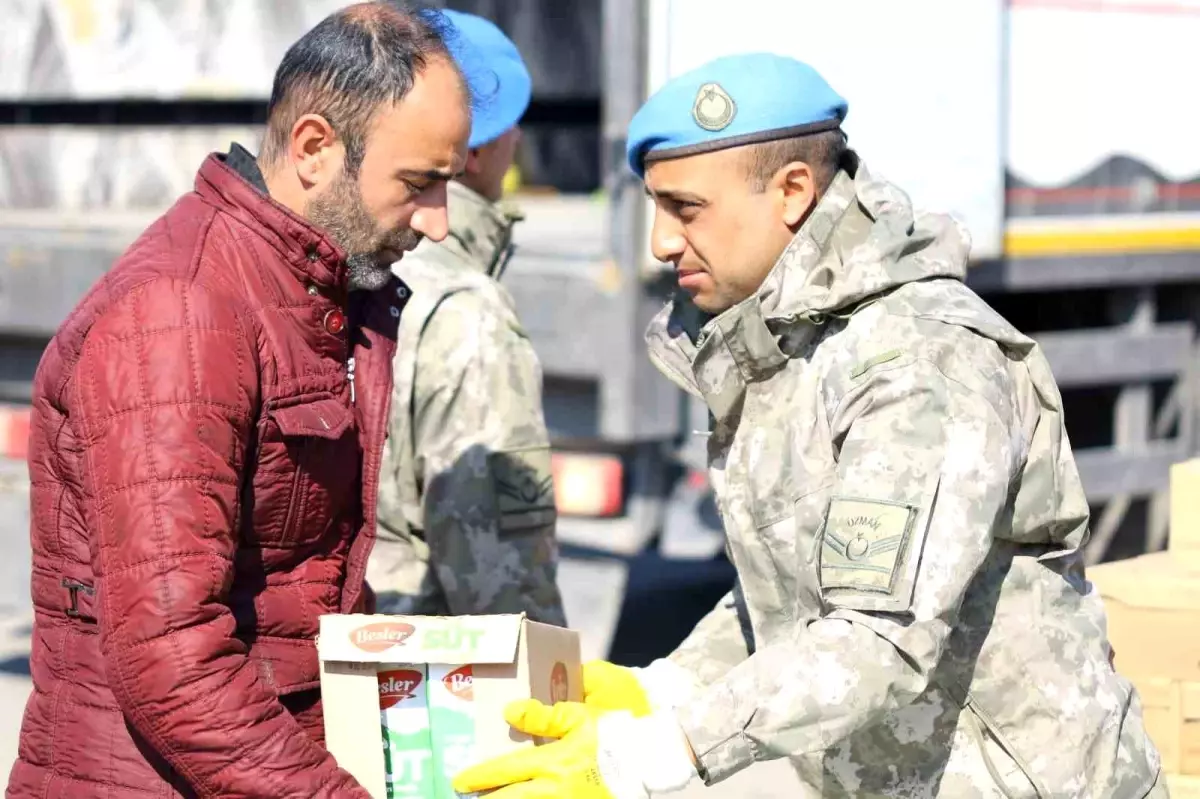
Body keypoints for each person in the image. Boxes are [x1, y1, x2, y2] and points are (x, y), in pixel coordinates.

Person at [450, 52, 1166, 798]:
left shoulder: (919, 360)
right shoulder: (782, 345)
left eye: (685, 209)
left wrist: (654, 752)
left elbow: (875, 636)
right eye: (654, 207)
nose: (660, 242)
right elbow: (796, 592)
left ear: (793, 191)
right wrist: (662, 688)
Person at [6, 3, 470, 797]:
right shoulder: (182, 315)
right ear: (316, 148)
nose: (439, 222)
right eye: (418, 184)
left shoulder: (312, 294)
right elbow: (171, 654)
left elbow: (303, 586)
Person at [369, 9, 566, 626]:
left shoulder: (344, 270)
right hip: (425, 696)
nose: (521, 144)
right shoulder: (466, 313)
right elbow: (505, 588)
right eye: (514, 127)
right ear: (474, 149)